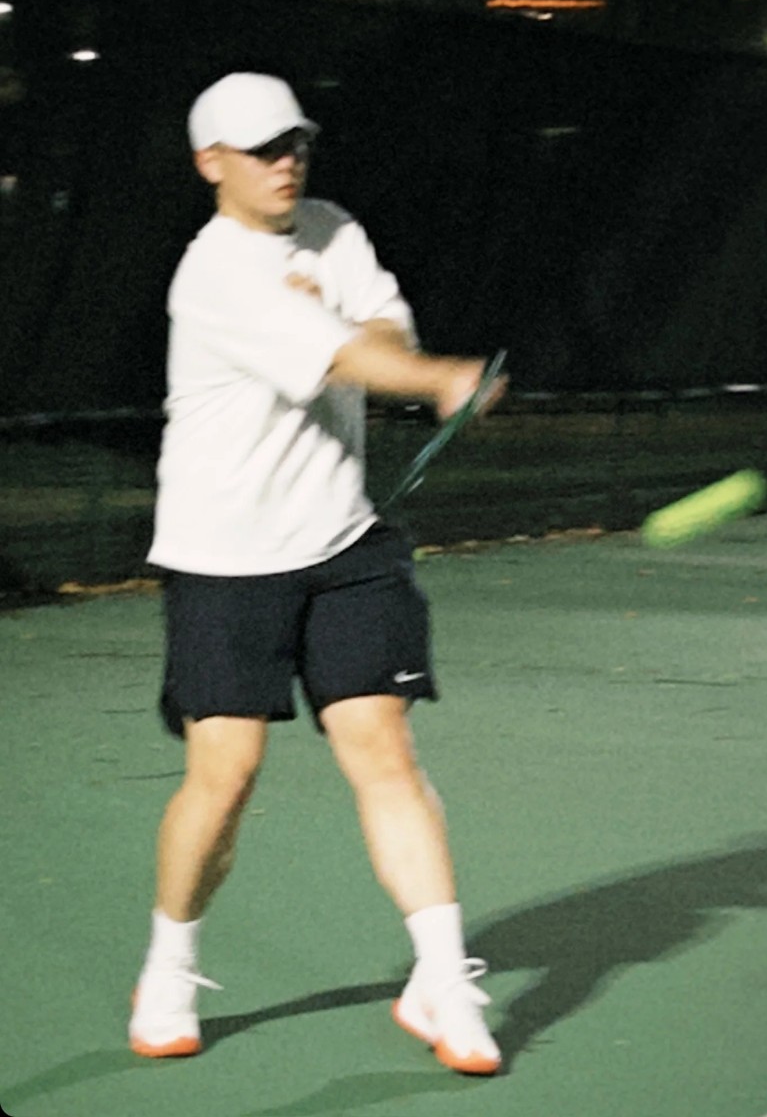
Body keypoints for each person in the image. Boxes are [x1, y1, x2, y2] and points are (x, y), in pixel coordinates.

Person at [129, 72, 505, 1076]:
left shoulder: (333, 228)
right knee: (226, 776)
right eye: (261, 148)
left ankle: (441, 979)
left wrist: (380, 348)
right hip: (224, 557)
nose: (285, 159)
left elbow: (384, 334)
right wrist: (429, 377)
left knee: (382, 748)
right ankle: (170, 961)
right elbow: (361, 359)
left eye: (295, 139)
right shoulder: (213, 274)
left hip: (344, 541)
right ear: (212, 164)